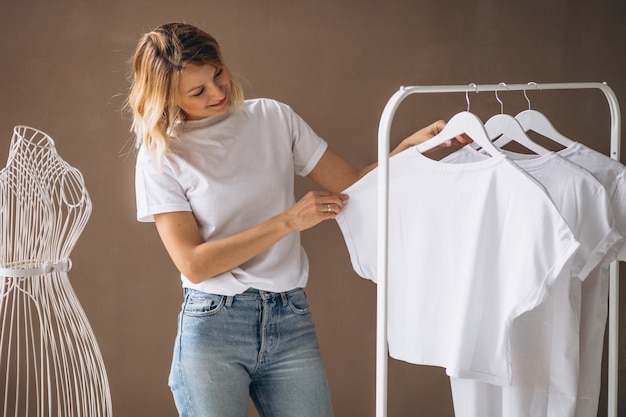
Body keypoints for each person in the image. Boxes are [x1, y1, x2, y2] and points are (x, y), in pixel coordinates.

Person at [127, 22, 467, 417]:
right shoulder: (161, 155)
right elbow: (194, 263)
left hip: (290, 317)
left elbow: (355, 185)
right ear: (167, 96)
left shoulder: (273, 117)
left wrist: (413, 149)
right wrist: (288, 222)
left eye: (218, 73)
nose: (218, 92)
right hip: (214, 325)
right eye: (198, 91)